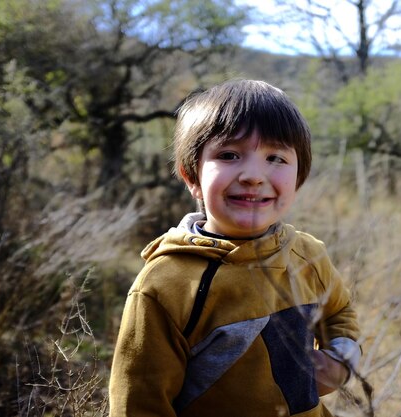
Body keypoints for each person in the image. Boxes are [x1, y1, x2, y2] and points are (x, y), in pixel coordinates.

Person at [108, 79, 361, 417]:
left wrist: (339, 359)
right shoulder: (164, 285)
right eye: (229, 155)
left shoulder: (307, 254)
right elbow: (138, 403)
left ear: (299, 176)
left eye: (275, 157)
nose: (254, 175)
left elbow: (340, 311)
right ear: (191, 176)